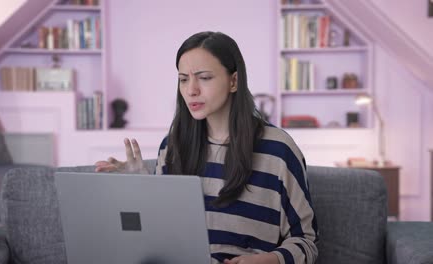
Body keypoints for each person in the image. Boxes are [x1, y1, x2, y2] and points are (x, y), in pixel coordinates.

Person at [95, 31, 318, 264]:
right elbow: (160, 238)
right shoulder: (173, 146)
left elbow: (306, 244)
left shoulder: (278, 149)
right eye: (183, 79)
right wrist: (142, 189)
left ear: (233, 81)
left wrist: (269, 260)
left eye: (204, 78)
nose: (191, 90)